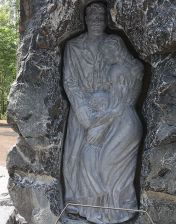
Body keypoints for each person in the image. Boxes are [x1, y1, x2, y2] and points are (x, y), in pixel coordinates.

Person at [62, 2, 143, 223]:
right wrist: (83, 112)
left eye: (101, 15)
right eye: (92, 15)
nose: (97, 19)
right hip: (83, 110)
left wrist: (108, 112)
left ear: (107, 19)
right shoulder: (73, 46)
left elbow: (130, 78)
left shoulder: (113, 43)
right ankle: (79, 204)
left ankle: (107, 205)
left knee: (103, 161)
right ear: (85, 19)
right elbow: (69, 81)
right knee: (76, 157)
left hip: (111, 113)